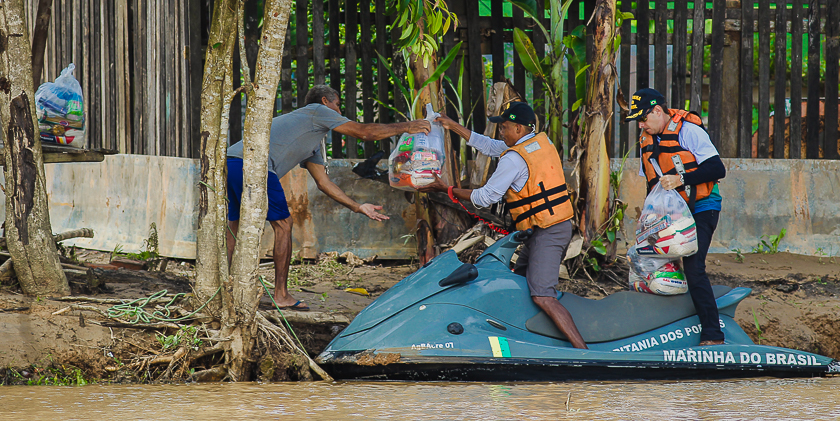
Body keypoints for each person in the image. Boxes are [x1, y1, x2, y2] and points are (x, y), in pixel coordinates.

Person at [226, 84, 430, 311]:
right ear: (325, 101)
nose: (340, 113)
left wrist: (358, 207)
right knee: (284, 225)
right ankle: (281, 295)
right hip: (255, 165)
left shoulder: (312, 138)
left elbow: (324, 183)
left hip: (232, 161)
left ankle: (224, 287)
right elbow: (365, 132)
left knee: (233, 225)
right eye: (338, 106)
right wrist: (407, 126)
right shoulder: (316, 111)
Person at [423, 101, 588, 349]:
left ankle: (582, 352)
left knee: (542, 295)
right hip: (544, 226)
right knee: (518, 283)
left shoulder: (513, 160)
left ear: (519, 129)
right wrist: (453, 126)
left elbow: (486, 197)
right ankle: (525, 339)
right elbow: (489, 146)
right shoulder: (538, 143)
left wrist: (446, 189)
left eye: (505, 127)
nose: (501, 132)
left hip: (549, 230)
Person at [624, 87, 727, 346]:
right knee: (646, 262)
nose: (641, 126)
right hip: (671, 213)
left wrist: (681, 178)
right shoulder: (646, 142)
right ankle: (660, 332)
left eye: (643, 119)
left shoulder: (689, 131)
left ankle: (713, 335)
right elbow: (652, 186)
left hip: (703, 207)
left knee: (694, 266)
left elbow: (717, 168)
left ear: (658, 111)